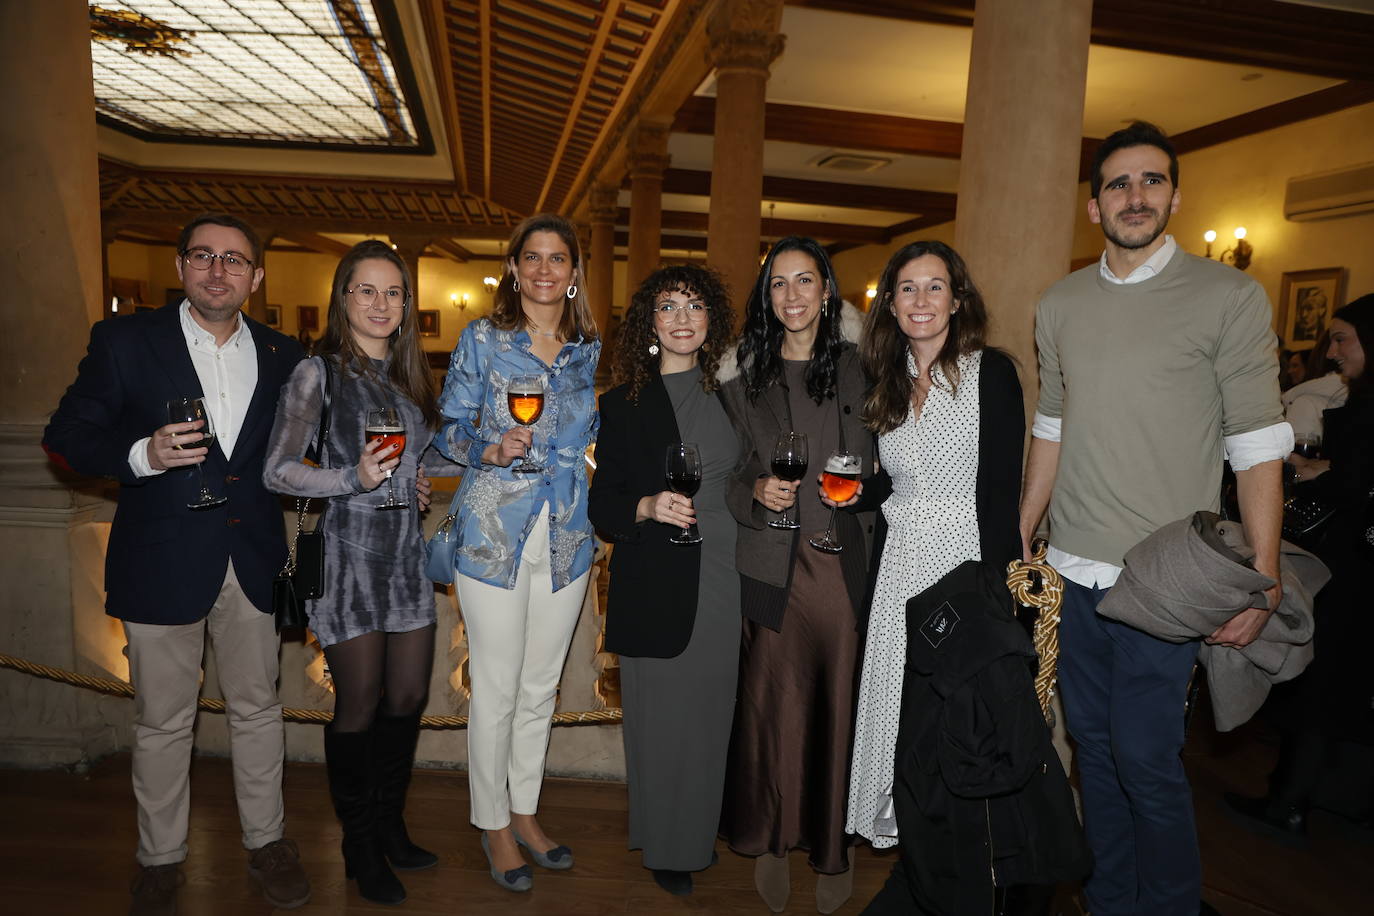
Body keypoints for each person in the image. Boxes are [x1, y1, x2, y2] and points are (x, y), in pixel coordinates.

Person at [1018, 121, 1290, 916]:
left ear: (1174, 194)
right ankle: (1110, 899)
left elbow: (1259, 444)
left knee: (1146, 759)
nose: (1135, 196)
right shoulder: (1059, 302)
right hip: (1071, 572)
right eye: (1117, 185)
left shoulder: (1229, 296)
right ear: (1094, 208)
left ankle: (1167, 905)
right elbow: (1053, 425)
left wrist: (1262, 579)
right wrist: (1022, 529)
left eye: (1150, 181)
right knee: (1094, 757)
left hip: (1166, 583)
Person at [42, 212, 312, 915]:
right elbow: (66, 436)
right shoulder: (126, 341)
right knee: (163, 721)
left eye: (234, 259)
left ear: (255, 277)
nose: (217, 269)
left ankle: (268, 844)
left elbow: (303, 450)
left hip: (252, 558)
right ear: (180, 267)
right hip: (160, 558)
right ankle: (160, 859)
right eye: (203, 255)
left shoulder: (287, 354)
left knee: (258, 710)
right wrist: (142, 455)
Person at [262, 240, 460, 904]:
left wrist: (461, 466)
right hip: (346, 562)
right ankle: (359, 846)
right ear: (343, 298)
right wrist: (354, 477)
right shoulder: (318, 374)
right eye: (366, 290)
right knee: (360, 704)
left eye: (393, 292)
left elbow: (420, 464)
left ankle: (390, 827)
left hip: (405, 561)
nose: (381, 304)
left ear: (407, 306)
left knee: (407, 700)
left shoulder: (408, 380)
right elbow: (278, 469)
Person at [840, 241, 1027, 898]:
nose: (921, 301)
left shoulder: (989, 374)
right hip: (899, 567)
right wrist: (839, 493)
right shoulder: (885, 384)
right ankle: (919, 853)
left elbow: (1001, 490)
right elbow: (891, 485)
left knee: (958, 720)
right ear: (889, 303)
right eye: (908, 289)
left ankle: (960, 857)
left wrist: (1002, 593)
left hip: (963, 561)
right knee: (904, 713)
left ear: (958, 299)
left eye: (935, 287)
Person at [432, 213, 600, 892]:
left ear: (574, 272)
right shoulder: (482, 338)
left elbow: (592, 436)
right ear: (513, 267)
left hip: (567, 531)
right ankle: (493, 824)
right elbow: (448, 428)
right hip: (493, 526)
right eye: (531, 257)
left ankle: (526, 813)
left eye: (557, 258)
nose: (543, 269)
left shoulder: (587, 346)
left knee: (540, 687)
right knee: (496, 688)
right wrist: (488, 447)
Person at [719, 236, 875, 915]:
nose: (792, 296)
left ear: (825, 290)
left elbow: (895, 460)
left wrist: (862, 490)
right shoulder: (742, 377)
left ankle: (832, 850)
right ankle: (778, 840)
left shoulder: (865, 367)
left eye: (804, 281)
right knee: (774, 707)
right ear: (766, 296)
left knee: (839, 703)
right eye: (778, 284)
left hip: (844, 563)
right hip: (773, 560)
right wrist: (754, 488)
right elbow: (724, 475)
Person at [588, 264, 739, 897]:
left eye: (694, 306)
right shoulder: (622, 406)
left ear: (712, 322)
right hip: (657, 578)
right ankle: (667, 843)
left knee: (709, 715)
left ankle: (703, 828)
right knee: (661, 717)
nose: (682, 318)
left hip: (726, 575)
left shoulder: (736, 395)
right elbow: (603, 506)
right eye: (668, 307)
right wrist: (647, 506)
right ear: (649, 323)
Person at [1224, 293, 1374, 845]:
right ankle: (1306, 797)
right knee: (1331, 685)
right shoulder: (1356, 398)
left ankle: (1288, 803)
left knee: (1320, 682)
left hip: (1349, 568)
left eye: (1342, 338)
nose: (1330, 351)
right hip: (1352, 563)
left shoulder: (1366, 405)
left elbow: (1356, 482)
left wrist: (1316, 469)